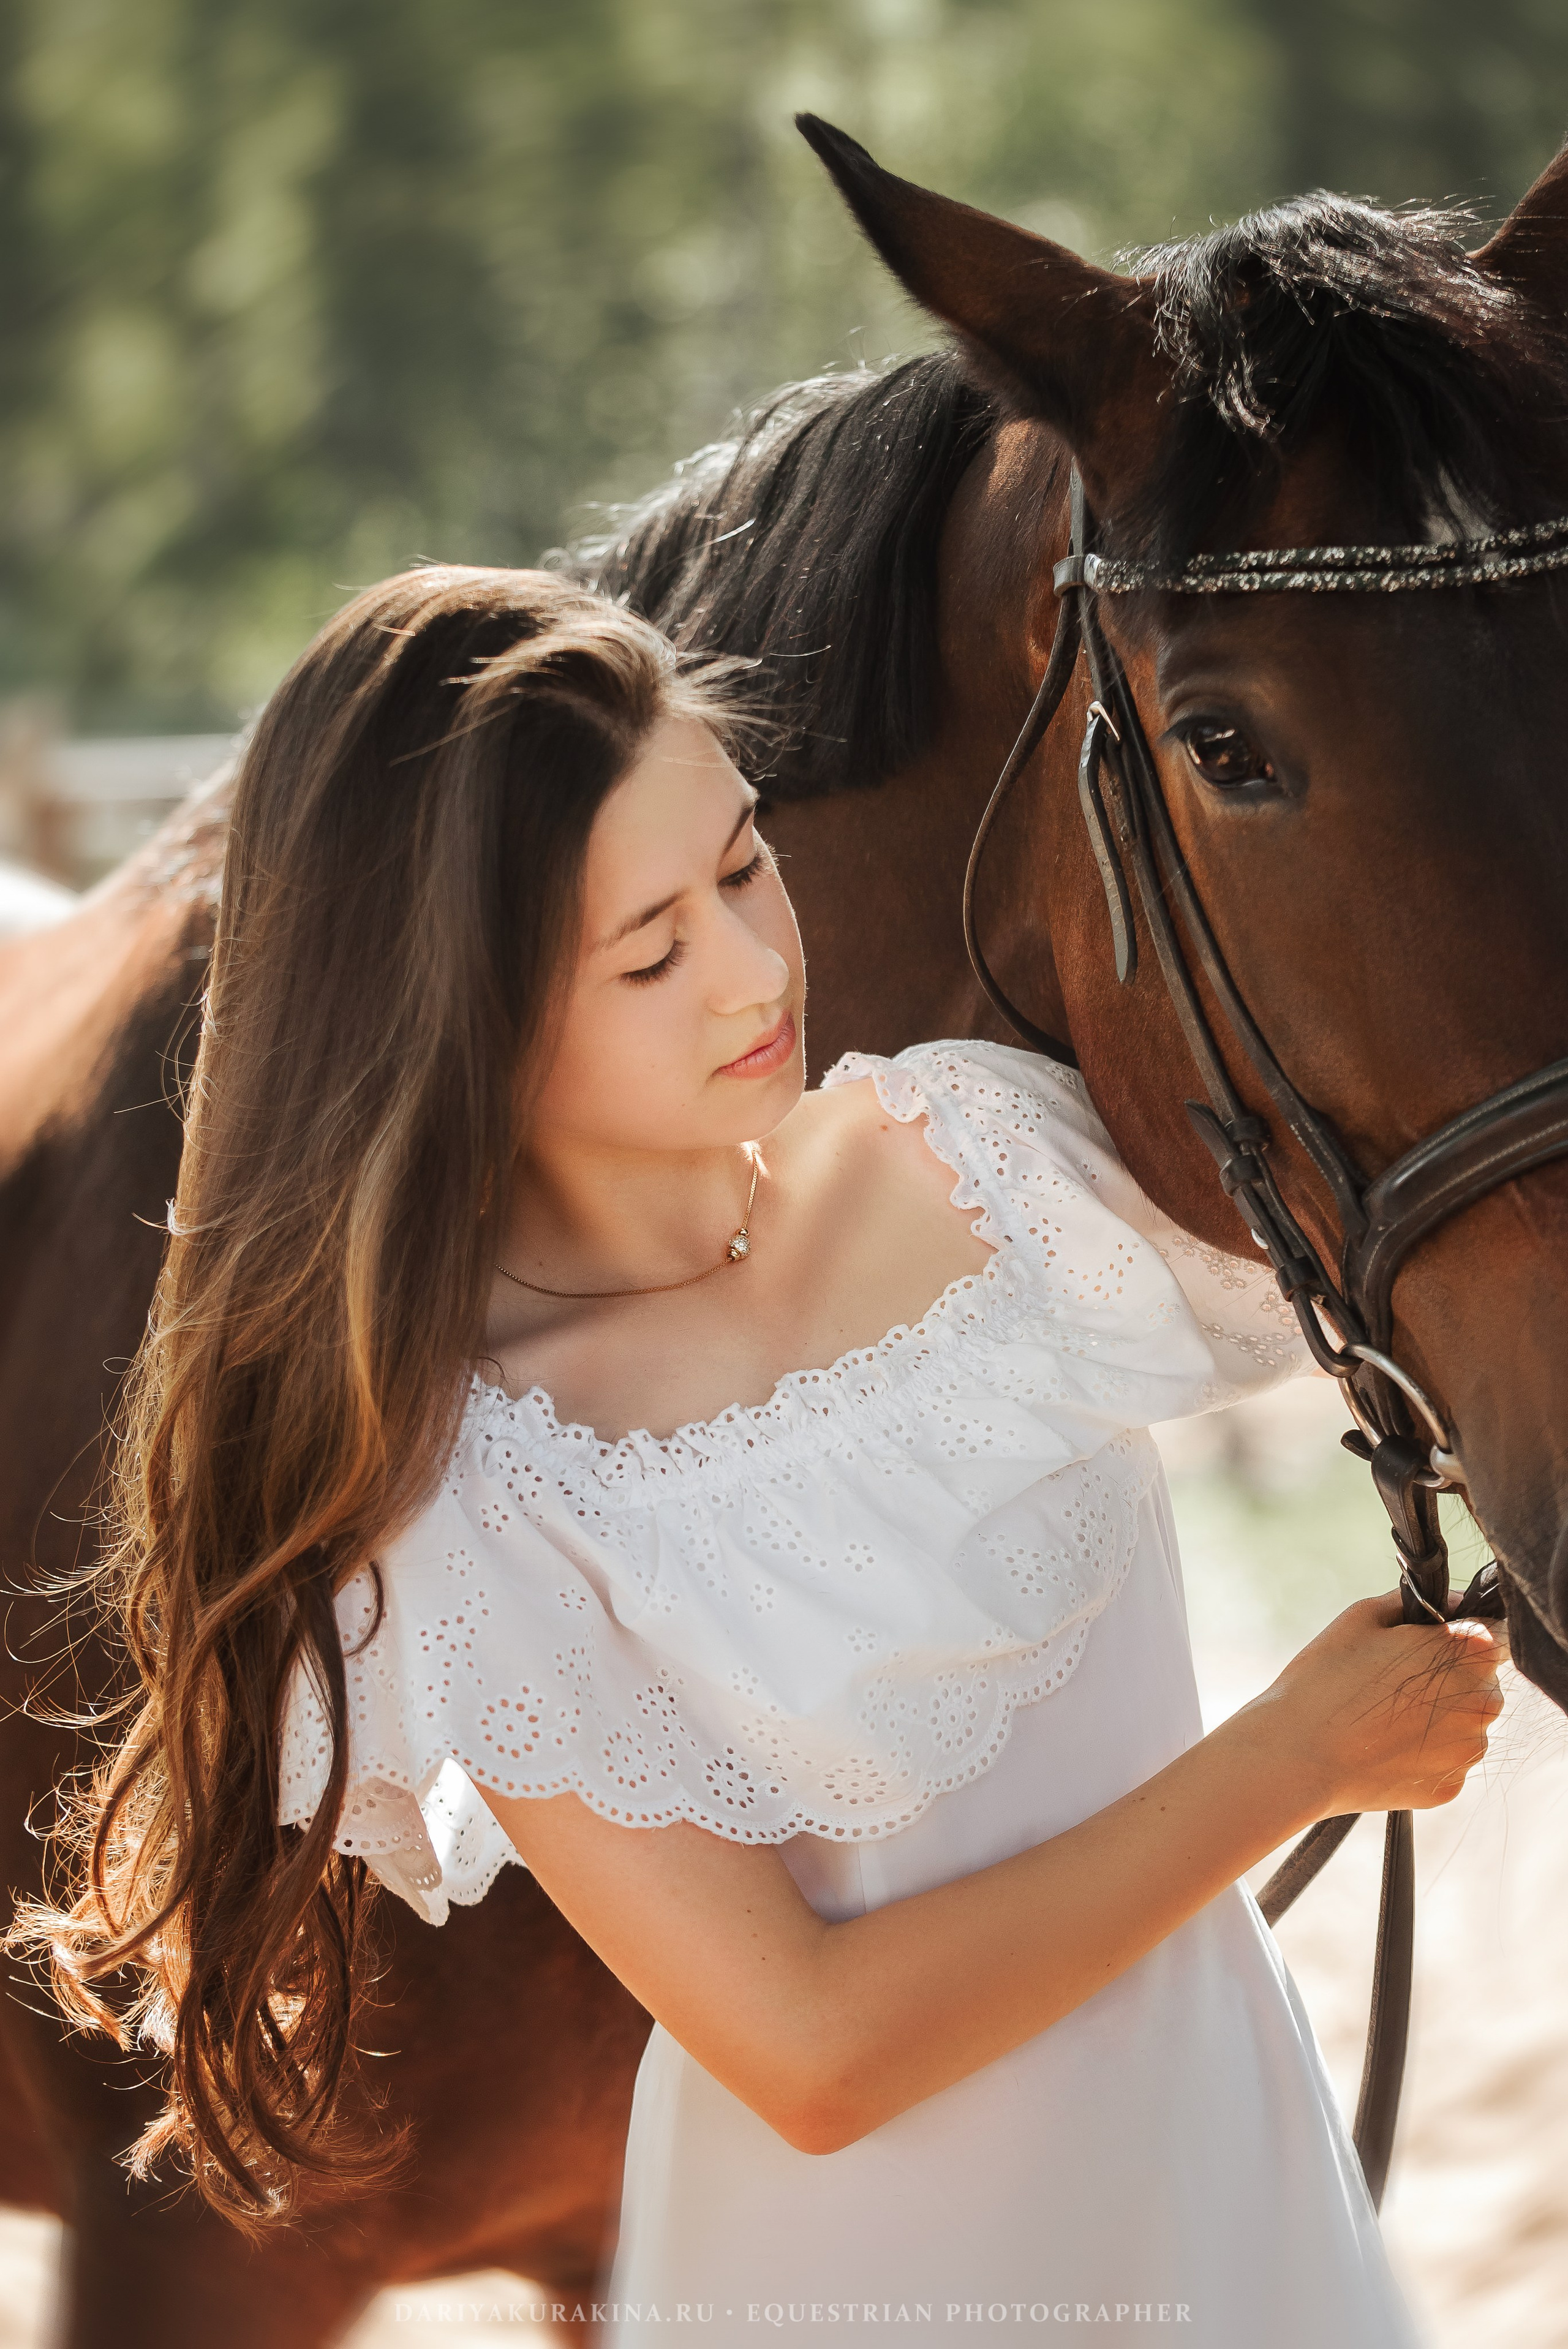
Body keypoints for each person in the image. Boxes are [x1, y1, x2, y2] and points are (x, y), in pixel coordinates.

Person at [18, 567, 1501, 2348]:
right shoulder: (475, 1493)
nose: (749, 968)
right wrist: (1299, 1759)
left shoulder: (980, 1151)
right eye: (650, 948)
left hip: (1228, 2192)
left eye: (741, 866)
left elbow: (1425, 1216)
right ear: (469, 1022)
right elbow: (804, 2046)